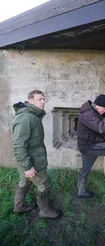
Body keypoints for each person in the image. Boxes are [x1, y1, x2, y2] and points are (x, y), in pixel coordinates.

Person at [12, 90, 61, 219]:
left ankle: (19, 206)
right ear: (30, 101)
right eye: (39, 99)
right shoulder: (26, 117)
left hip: (29, 159)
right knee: (44, 184)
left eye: (44, 99)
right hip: (31, 161)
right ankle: (44, 211)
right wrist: (28, 167)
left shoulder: (32, 116)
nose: (43, 102)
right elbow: (18, 145)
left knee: (25, 181)